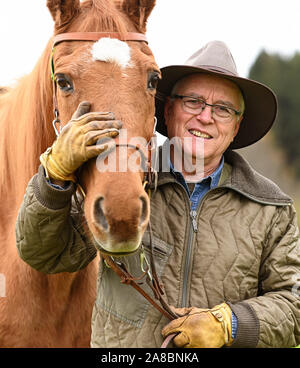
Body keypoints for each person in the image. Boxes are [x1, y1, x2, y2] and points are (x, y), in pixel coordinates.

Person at [16, 40, 300, 348]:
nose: (205, 117)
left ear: (236, 125)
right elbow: (43, 254)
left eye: (222, 109)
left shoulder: (271, 207)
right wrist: (54, 176)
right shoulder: (121, 184)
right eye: (193, 101)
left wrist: (228, 325)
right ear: (167, 109)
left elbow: (293, 303)